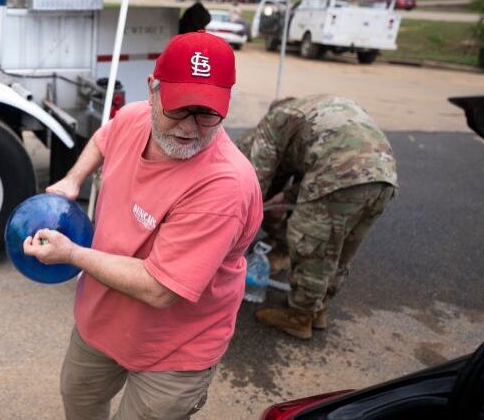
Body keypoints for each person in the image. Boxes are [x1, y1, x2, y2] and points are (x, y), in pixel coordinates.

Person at [24, 31, 263, 420]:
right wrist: (73, 179)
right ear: (153, 90)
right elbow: (105, 137)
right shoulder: (136, 116)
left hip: (174, 351)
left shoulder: (224, 186)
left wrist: (71, 254)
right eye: (179, 109)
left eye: (206, 113)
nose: (189, 127)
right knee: (79, 401)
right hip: (100, 321)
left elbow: (159, 289)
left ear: (227, 103)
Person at [235, 95, 397, 340]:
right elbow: (322, 154)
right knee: (340, 250)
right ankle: (318, 309)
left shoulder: (276, 120)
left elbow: (255, 181)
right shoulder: (322, 110)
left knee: (312, 247)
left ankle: (299, 317)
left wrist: (233, 232)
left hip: (339, 175)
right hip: (384, 177)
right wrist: (285, 196)